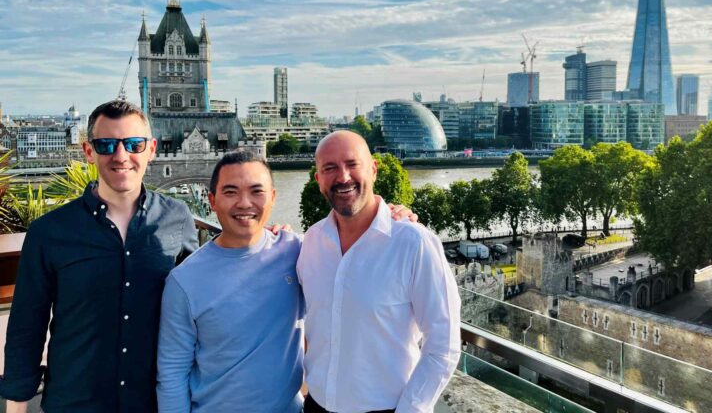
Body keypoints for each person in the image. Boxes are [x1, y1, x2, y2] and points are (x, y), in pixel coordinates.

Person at [0, 100, 199, 413]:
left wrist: (261, 239)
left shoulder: (179, 218)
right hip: (75, 401)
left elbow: (202, 301)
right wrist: (16, 407)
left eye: (134, 144)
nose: (121, 156)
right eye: (106, 144)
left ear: (151, 149)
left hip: (152, 402)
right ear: (89, 152)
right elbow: (27, 326)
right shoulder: (49, 232)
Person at [297, 131, 461, 413]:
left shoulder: (414, 243)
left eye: (352, 164)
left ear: (373, 169)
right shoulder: (309, 242)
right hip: (316, 405)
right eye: (330, 168)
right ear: (319, 179)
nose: (343, 176)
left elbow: (444, 344)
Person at [156, 151, 304, 413]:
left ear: (273, 197)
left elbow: (351, 252)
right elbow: (172, 372)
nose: (244, 203)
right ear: (211, 200)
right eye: (231, 192)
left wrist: (394, 216)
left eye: (256, 191)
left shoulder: (298, 252)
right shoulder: (184, 281)